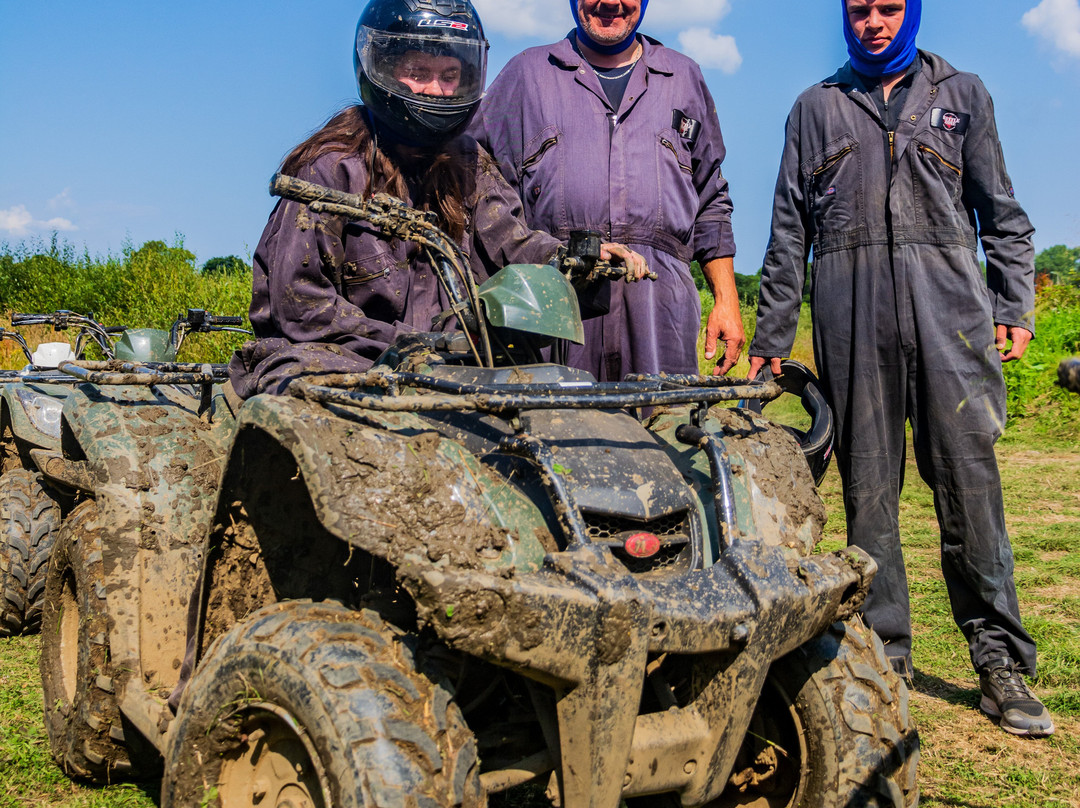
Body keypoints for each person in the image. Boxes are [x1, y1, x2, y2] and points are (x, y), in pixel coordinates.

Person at [749, 0, 1053, 737]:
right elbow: (789, 229)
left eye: (889, 8)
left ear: (912, 12)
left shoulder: (963, 94)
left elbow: (1001, 213)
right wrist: (773, 332)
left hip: (950, 310)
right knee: (868, 492)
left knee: (970, 487)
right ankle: (885, 656)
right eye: (860, 10)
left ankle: (999, 662)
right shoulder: (814, 108)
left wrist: (1013, 303)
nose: (873, 22)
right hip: (851, 317)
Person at [228, 0, 647, 399]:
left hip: (450, 369)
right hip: (347, 364)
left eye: (449, 75)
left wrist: (575, 261)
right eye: (418, 71)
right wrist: (413, 345)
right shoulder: (331, 168)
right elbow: (299, 307)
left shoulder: (468, 162)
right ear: (381, 69)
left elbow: (513, 245)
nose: (436, 90)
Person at [469, 0, 744, 381]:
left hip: (660, 316)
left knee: (664, 434)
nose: (611, 2)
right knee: (556, 433)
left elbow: (710, 199)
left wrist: (727, 301)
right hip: (555, 312)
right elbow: (475, 181)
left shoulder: (683, 78)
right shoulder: (526, 76)